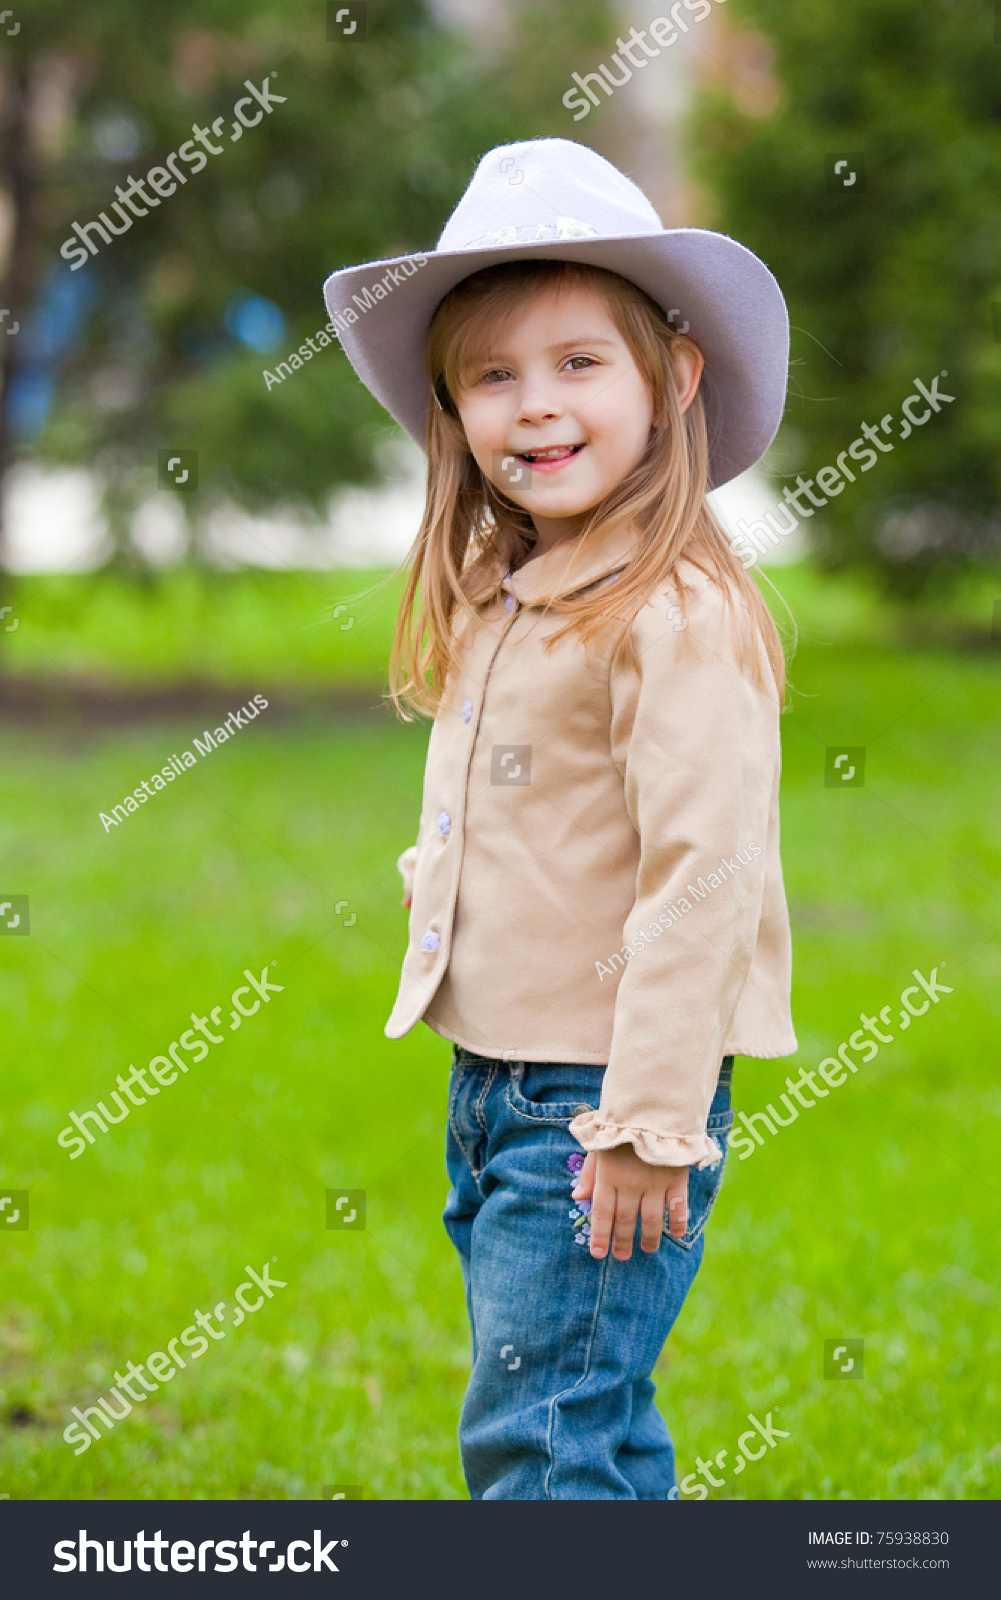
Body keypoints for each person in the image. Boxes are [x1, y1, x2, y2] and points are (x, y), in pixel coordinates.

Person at [323, 138, 797, 1501]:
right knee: (582, 1414)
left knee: (541, 1443)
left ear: (674, 379)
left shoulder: (674, 616)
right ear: (450, 409)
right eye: (492, 375)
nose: (535, 407)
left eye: (579, 363)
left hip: (599, 1101)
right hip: (498, 1083)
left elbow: (703, 872)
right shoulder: (514, 584)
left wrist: (650, 1124)